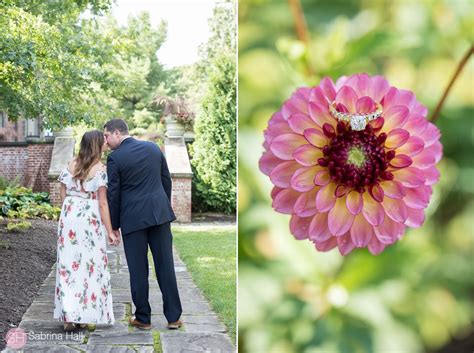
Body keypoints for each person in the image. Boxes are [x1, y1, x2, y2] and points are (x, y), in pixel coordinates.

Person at [104, 118, 182, 330]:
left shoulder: (115, 158)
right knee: (165, 266)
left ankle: (143, 319)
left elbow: (114, 195)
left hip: (133, 219)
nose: (106, 141)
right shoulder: (153, 148)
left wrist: (114, 225)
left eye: (107, 136)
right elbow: (166, 180)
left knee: (138, 270)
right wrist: (162, 206)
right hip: (160, 216)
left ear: (117, 133)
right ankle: (174, 317)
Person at [54, 130, 119, 331]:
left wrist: (69, 213)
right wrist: (110, 230)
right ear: (97, 145)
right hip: (89, 218)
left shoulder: (71, 164)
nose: (106, 146)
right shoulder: (100, 169)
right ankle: (83, 315)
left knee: (68, 266)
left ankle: (68, 316)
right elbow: (102, 204)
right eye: (103, 143)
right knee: (89, 265)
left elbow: (63, 193)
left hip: (69, 215)